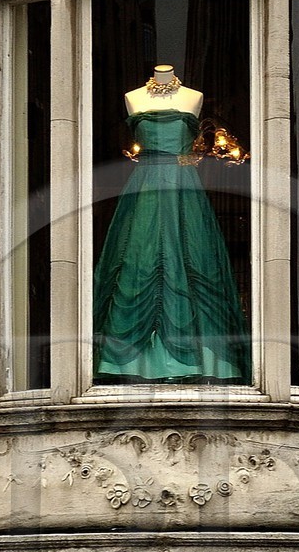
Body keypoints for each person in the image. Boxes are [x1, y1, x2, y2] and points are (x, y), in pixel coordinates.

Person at [92, 63, 250, 382]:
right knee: (139, 259)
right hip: (145, 188)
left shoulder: (194, 97)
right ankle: (131, 364)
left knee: (191, 258)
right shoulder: (132, 97)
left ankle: (198, 362)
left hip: (183, 189)